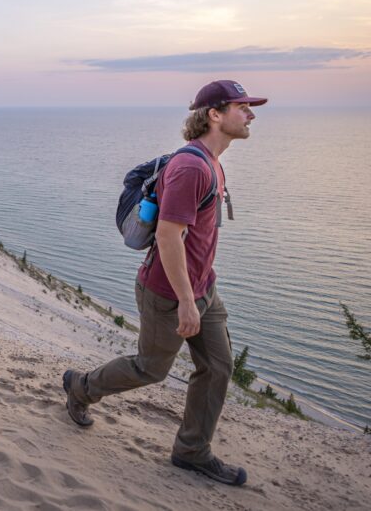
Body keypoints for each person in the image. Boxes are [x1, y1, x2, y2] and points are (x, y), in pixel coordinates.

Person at [62, 80, 267, 486]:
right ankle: (81, 387)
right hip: (169, 294)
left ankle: (191, 451)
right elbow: (167, 236)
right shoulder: (192, 167)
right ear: (214, 114)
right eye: (242, 107)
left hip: (203, 287)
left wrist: (202, 290)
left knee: (218, 368)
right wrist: (187, 302)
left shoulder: (212, 162)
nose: (251, 114)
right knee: (150, 368)